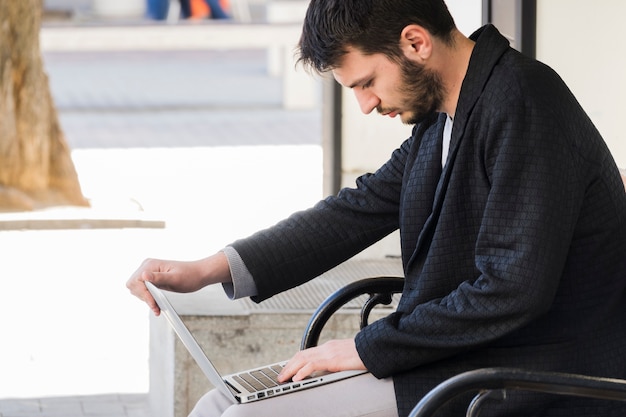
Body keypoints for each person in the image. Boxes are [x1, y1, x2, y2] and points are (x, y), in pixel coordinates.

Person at [127, 0, 626, 416]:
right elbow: (356, 210)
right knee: (218, 403)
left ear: (415, 42)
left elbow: (511, 290)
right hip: (462, 360)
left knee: (242, 415)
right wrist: (206, 270)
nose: (365, 104)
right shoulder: (443, 117)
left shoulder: (523, 101)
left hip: (528, 376)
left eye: (367, 82)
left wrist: (364, 349)